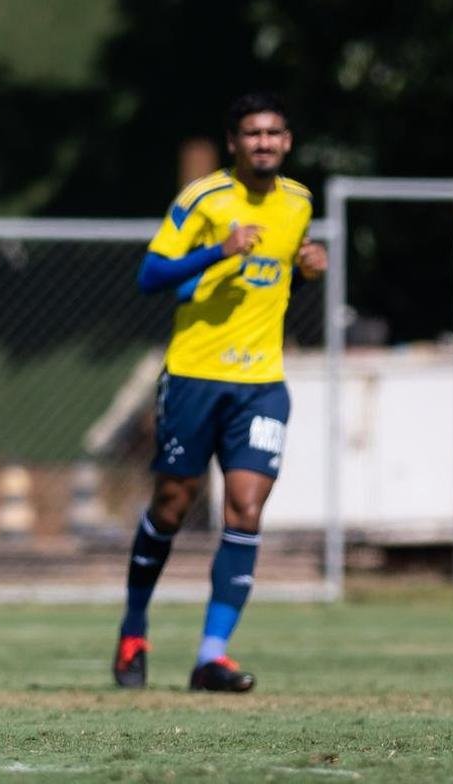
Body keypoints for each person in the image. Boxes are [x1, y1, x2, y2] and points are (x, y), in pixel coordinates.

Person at [111, 92, 327, 693]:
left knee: (246, 509)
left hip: (260, 385)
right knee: (173, 506)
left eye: (275, 133)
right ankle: (134, 629)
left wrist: (308, 270)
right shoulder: (203, 198)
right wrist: (218, 251)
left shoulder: (300, 203)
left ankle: (212, 656)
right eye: (253, 133)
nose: (265, 142)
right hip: (194, 377)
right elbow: (151, 275)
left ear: (287, 142)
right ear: (233, 142)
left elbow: (276, 283)